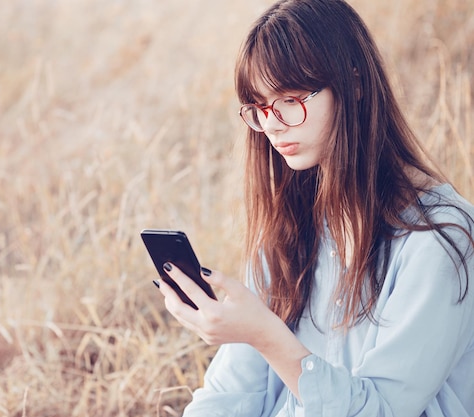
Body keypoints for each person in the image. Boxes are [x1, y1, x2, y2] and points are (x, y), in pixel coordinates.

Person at [153, 0, 474, 415]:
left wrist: (266, 335)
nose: (271, 124)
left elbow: (384, 409)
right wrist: (250, 334)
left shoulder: (441, 238)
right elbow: (232, 393)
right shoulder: (290, 224)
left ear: (354, 84)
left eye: (289, 99)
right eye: (260, 107)